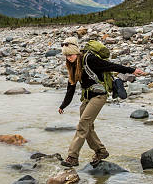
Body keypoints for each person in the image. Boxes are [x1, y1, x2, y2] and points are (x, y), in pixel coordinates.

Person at [58, 36, 145, 167]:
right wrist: (63, 105)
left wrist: (132, 70)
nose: (68, 58)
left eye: (70, 54)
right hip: (87, 97)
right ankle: (101, 151)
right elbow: (71, 88)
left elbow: (110, 66)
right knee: (88, 127)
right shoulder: (72, 65)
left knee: (83, 125)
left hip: (99, 96)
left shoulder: (89, 59)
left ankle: (72, 157)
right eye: (66, 56)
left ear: (76, 52)